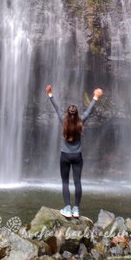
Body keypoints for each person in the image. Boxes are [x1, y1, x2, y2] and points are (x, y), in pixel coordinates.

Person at [46, 84, 103, 219]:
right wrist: (95, 97)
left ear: (67, 113)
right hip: (77, 156)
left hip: (65, 156)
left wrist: (50, 93)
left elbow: (56, 107)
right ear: (77, 114)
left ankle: (67, 207)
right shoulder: (81, 121)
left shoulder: (63, 120)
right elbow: (89, 110)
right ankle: (76, 209)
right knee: (77, 182)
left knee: (65, 182)